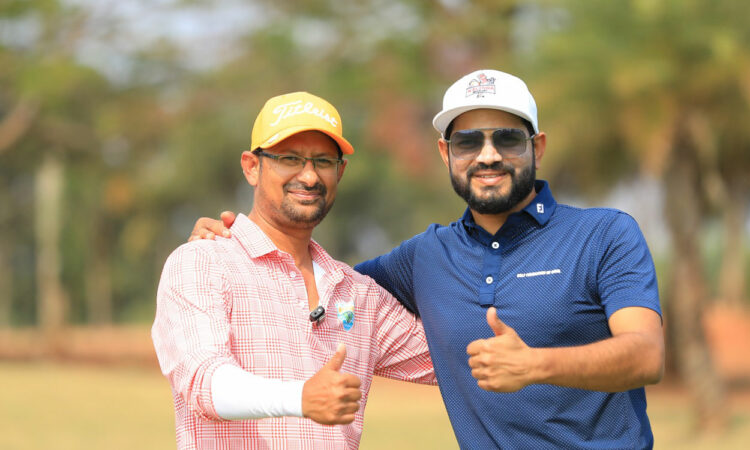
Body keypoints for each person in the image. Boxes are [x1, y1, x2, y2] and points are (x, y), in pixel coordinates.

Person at [191, 70, 665, 449]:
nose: (488, 155)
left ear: (536, 147)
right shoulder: (425, 256)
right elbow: (325, 289)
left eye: (507, 139)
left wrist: (536, 365)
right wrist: (230, 246)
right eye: (467, 142)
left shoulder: (604, 233)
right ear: (445, 153)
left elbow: (646, 355)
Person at [152, 91, 435, 449]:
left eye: (323, 161)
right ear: (252, 166)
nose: (309, 176)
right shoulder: (202, 262)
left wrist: (528, 358)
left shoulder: (357, 293)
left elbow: (454, 360)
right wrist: (300, 398)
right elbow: (203, 382)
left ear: (340, 172)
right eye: (289, 158)